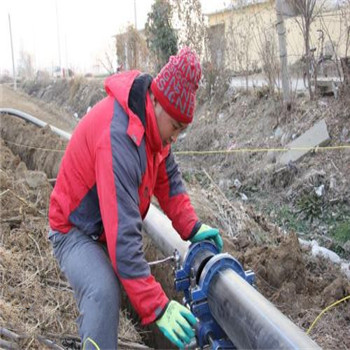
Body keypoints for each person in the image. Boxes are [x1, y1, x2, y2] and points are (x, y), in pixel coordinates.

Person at [48, 47, 223, 350]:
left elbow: (170, 183)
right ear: (156, 101)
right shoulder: (119, 139)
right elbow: (124, 241)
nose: (175, 137)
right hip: (73, 229)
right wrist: (159, 306)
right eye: (175, 127)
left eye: (182, 130)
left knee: (114, 281)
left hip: (101, 228)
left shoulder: (155, 132)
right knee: (103, 291)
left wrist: (192, 227)